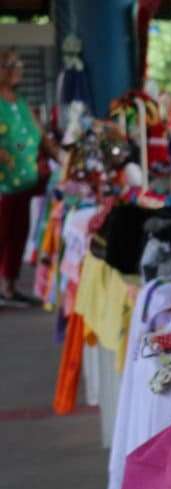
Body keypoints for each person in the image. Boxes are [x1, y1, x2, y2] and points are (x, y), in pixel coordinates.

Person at [0, 49, 60, 306]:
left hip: (25, 183)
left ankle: (10, 288)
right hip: (3, 184)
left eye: (19, 64)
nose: (18, 69)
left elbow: (42, 137)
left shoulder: (22, 102)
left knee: (17, 234)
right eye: (11, 65)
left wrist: (62, 156)